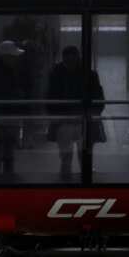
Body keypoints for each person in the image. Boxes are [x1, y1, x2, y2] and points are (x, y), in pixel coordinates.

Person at [47, 46, 105, 179]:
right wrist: (93, 113)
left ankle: (66, 176)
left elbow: (50, 98)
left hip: (65, 120)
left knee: (66, 154)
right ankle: (83, 176)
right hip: (82, 119)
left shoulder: (56, 74)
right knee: (83, 152)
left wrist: (56, 114)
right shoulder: (89, 74)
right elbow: (98, 97)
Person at [0, 40, 27, 176]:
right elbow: (0, 92)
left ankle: (2, 171)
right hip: (3, 113)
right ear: (6, 56)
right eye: (13, 56)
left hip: (5, 113)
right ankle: (3, 172)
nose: (16, 58)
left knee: (6, 143)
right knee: (2, 142)